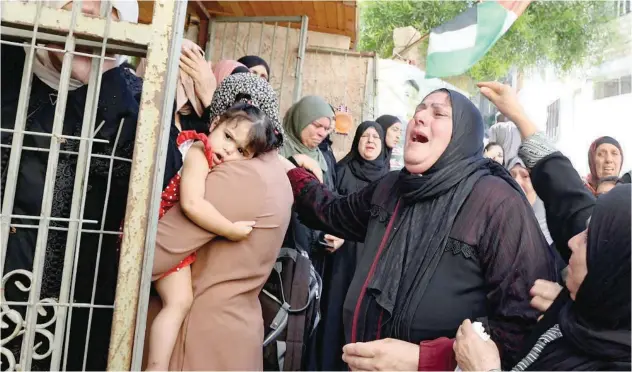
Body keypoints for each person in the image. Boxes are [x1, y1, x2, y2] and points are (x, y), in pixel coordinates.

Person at [282, 89, 557, 370]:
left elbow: (522, 323)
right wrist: (287, 166)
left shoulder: (496, 202)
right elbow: (331, 212)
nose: (420, 117)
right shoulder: (392, 188)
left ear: (463, 134)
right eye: (419, 110)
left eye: (438, 113)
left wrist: (426, 359)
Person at [454, 83, 630, 371]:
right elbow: (567, 194)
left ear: (611, 276)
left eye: (588, 240)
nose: (572, 242)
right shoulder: (594, 313)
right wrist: (518, 114)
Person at [145, 72, 292, 371]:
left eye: (241, 148)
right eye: (227, 137)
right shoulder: (276, 174)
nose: (228, 151)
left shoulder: (239, 176)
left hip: (200, 342)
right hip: (233, 336)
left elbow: (152, 255)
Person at [319, 122, 390, 370]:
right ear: (356, 140)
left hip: (371, 258)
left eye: (375, 137)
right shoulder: (342, 171)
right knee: (335, 310)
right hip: (341, 257)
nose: (370, 141)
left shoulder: (388, 178)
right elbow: (328, 210)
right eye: (365, 136)